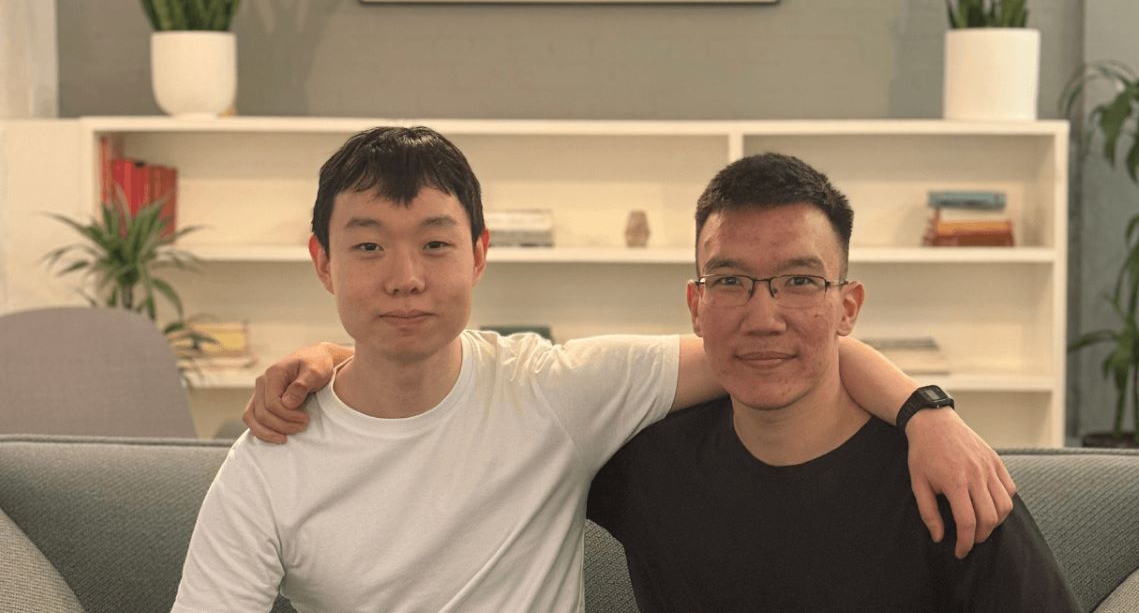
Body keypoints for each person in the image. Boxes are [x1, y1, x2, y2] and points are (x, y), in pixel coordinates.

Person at [177, 126, 1014, 611]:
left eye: (434, 244)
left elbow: (772, 348)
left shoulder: (554, 391)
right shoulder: (271, 460)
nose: (405, 278)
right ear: (322, 261)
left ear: (479, 254)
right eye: (368, 247)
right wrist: (327, 360)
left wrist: (926, 411)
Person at [585, 153, 1081, 611]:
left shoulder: (944, 477)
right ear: (696, 307)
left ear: (848, 308)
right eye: (730, 282)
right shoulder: (644, 464)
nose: (764, 320)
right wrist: (919, 405)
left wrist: (924, 411)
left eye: (800, 281)